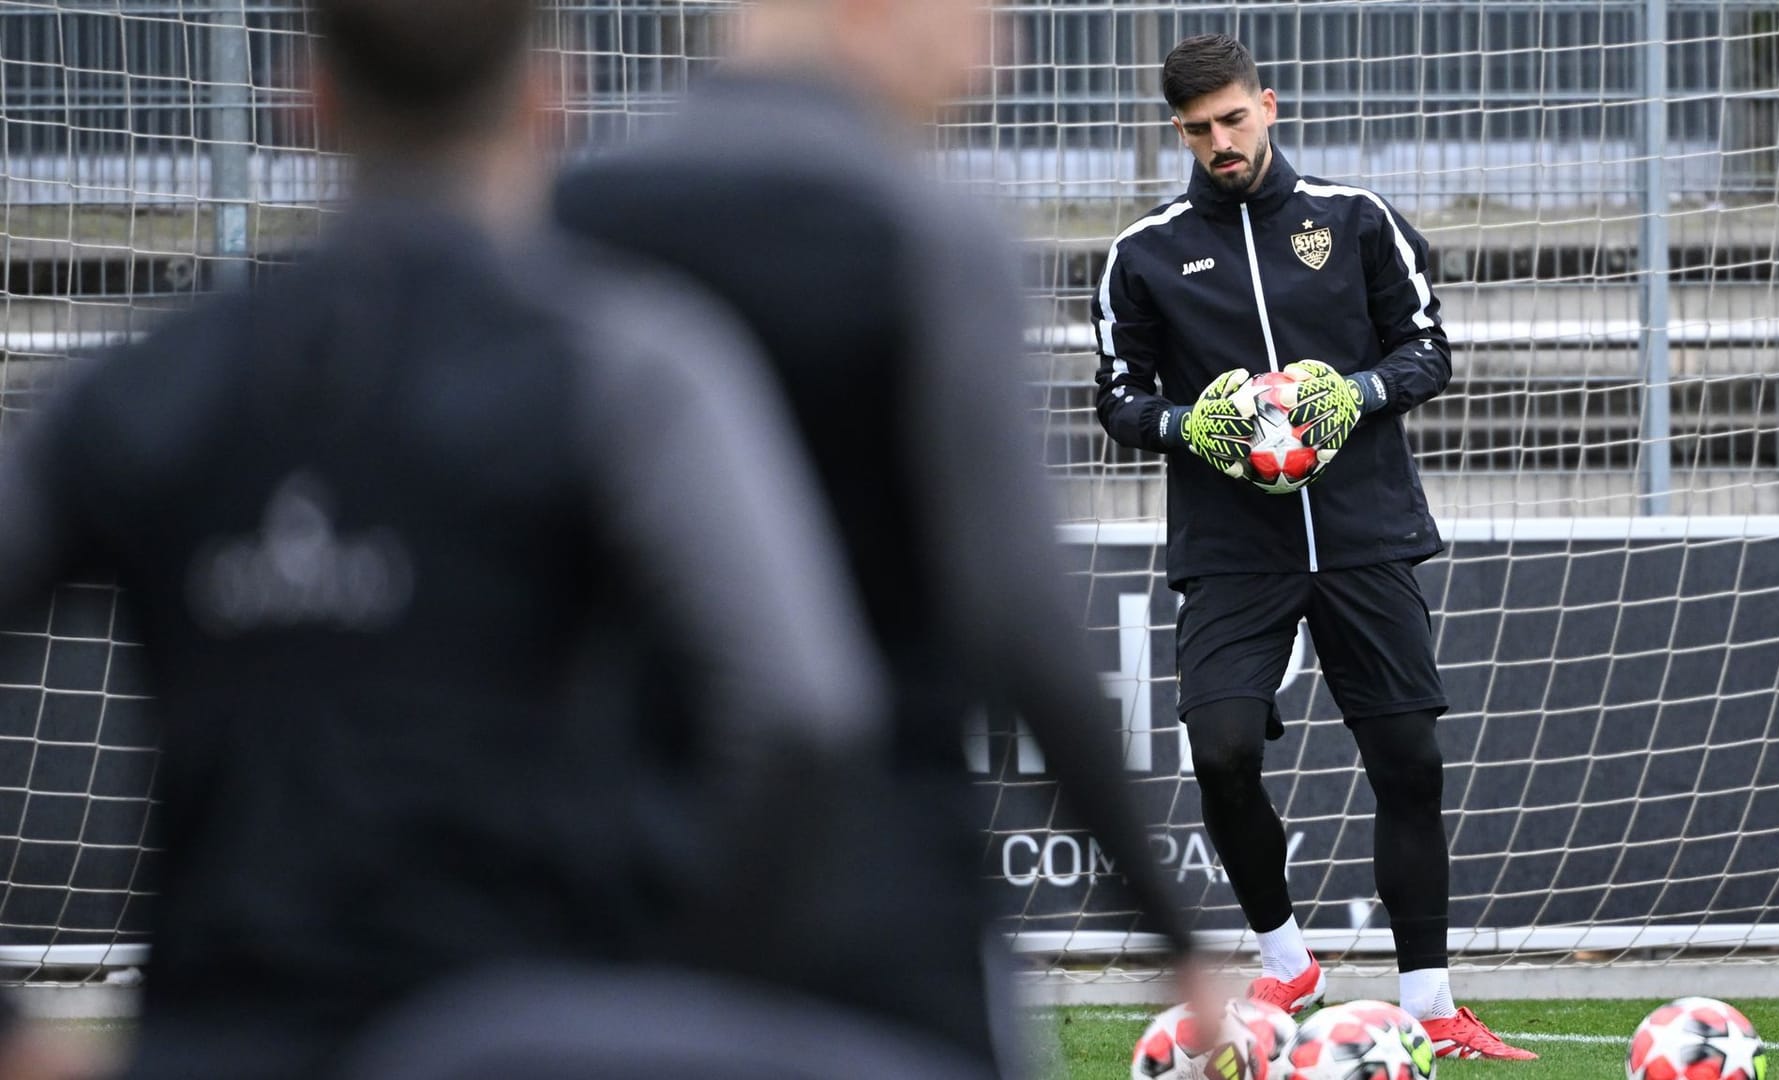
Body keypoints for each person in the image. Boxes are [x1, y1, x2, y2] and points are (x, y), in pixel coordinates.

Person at [0, 0, 888, 1076]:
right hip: (528, 1032)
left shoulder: (141, 386)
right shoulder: (627, 369)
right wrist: (679, 993)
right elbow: (803, 712)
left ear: (305, 100)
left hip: (221, 1031)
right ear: (549, 98)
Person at [553, 0, 1203, 1071]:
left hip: (606, 903)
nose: (1007, 50)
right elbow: (1018, 618)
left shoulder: (566, 217)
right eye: (985, 13)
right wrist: (1171, 929)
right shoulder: (923, 233)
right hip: (877, 898)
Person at [1090, 33, 1536, 1061]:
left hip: (1363, 532)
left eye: (1234, 120)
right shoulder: (1144, 254)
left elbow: (1428, 350)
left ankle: (1431, 1003)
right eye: (1199, 130)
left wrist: (1358, 395)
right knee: (1223, 749)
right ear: (1178, 133)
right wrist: (1185, 426)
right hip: (1233, 546)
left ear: (1269, 106)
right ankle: (1286, 958)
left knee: (1409, 762)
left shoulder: (1356, 220)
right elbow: (1118, 398)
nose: (1221, 144)